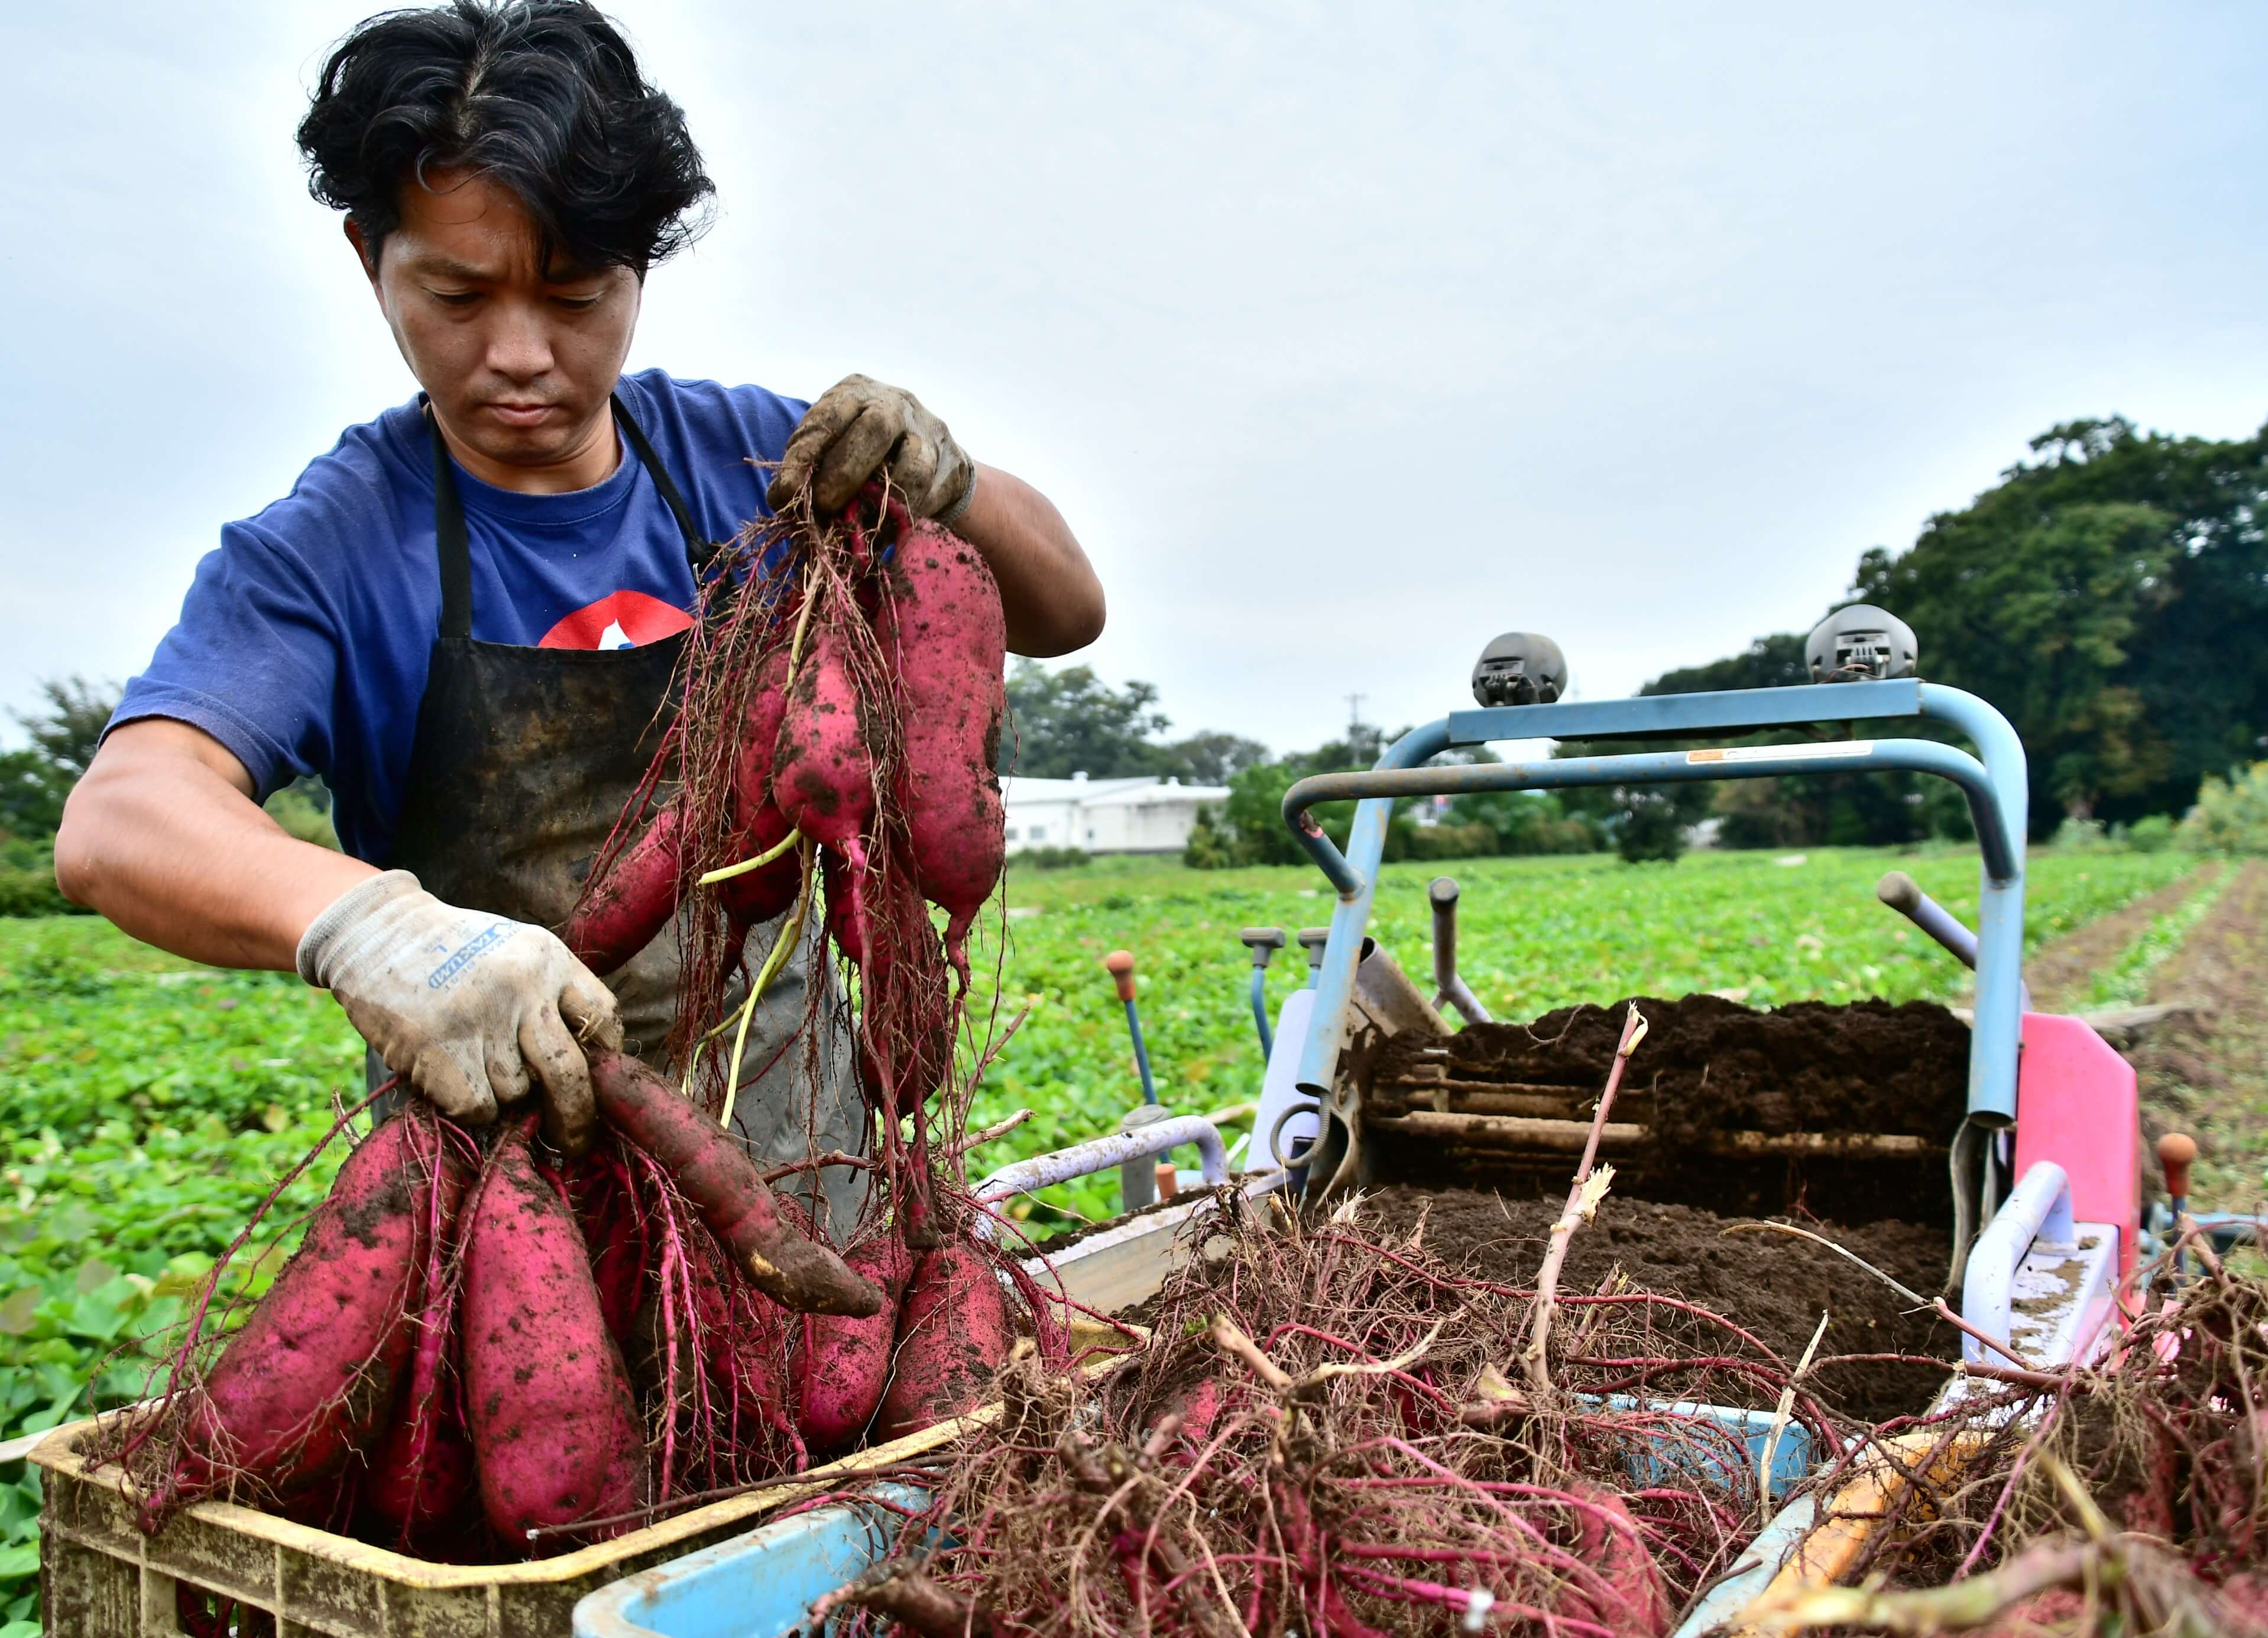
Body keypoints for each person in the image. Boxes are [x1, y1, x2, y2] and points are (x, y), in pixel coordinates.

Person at [53, 0, 1103, 1194]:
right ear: (367, 257)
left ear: (638, 267)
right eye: (458, 297)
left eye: (572, 296)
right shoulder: (329, 550)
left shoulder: (766, 461)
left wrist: (952, 481)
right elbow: (120, 819)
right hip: (504, 1187)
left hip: (802, 1153)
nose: (517, 353)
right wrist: (373, 930)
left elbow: (1066, 610)